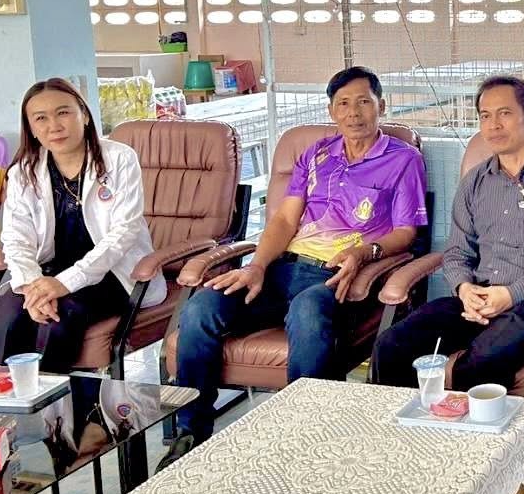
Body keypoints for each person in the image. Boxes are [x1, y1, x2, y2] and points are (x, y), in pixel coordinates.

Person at [161, 66, 427, 467]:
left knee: (306, 310)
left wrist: (363, 253)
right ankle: (190, 434)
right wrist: (256, 267)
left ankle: (302, 439)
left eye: (363, 102)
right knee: (203, 305)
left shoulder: (403, 159)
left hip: (337, 276)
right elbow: (285, 220)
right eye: (343, 104)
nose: (353, 112)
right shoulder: (316, 155)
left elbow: (406, 232)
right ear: (331, 111)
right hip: (282, 268)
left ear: (381, 106)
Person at [371, 75, 524, 392]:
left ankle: (468, 427)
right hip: (478, 295)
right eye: (485, 116)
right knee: (391, 345)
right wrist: (464, 288)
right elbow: (457, 250)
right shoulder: (474, 181)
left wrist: (511, 294)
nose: (493, 125)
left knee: (481, 362)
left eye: (505, 113)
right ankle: (404, 423)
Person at [0, 78, 163, 374]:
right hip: (47, 272)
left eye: (63, 113)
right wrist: (32, 287)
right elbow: (16, 238)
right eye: (41, 118)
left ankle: (63, 402)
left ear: (84, 115)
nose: (54, 126)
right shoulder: (23, 172)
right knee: (10, 313)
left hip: (111, 273)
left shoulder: (119, 159)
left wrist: (64, 283)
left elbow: (124, 233)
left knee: (61, 316)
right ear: (31, 128)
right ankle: (9, 396)